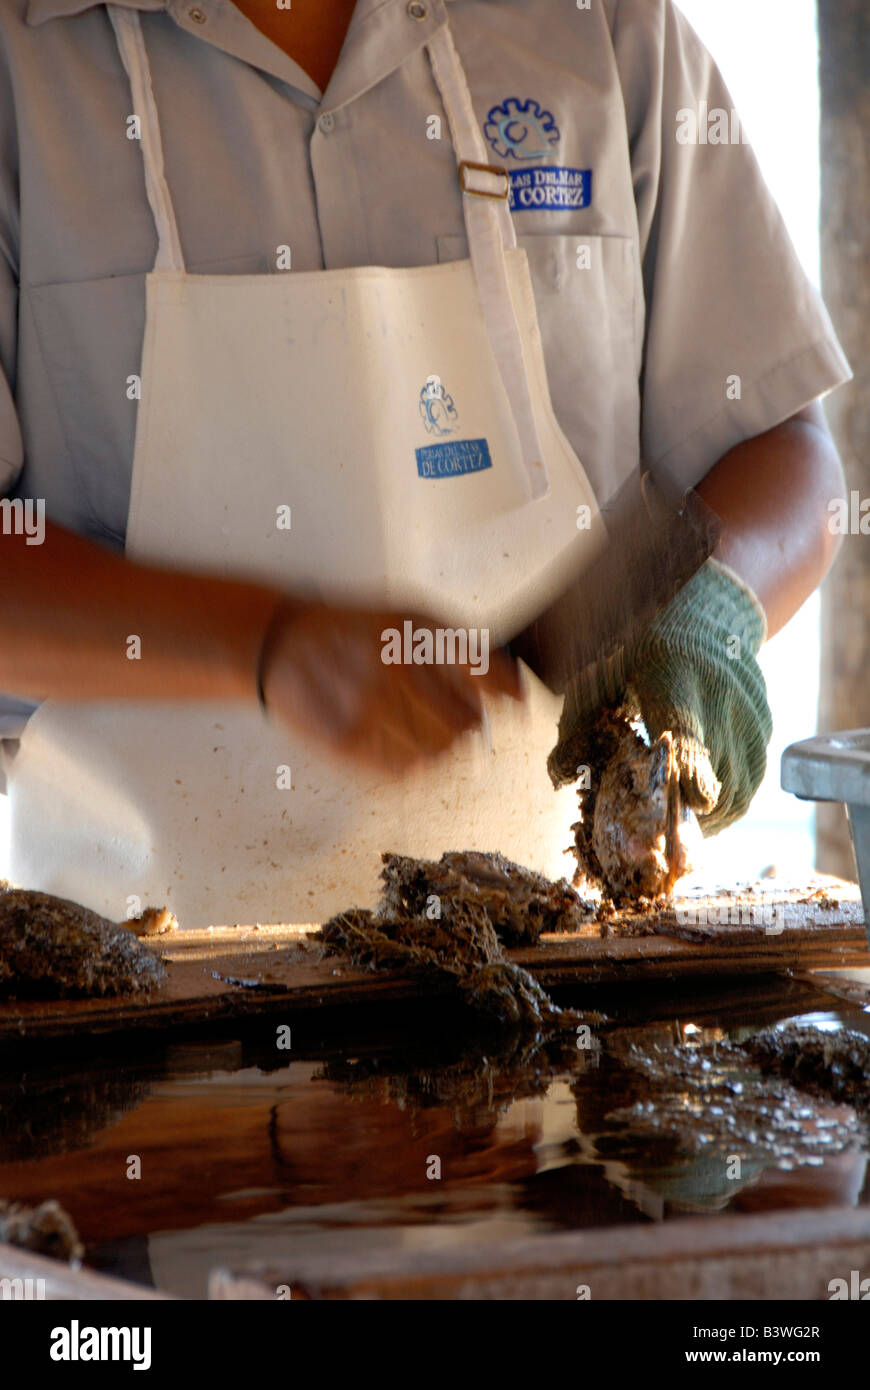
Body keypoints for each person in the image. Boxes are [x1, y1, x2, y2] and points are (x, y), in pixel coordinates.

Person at [0, 0, 850, 927]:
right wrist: (266, 643)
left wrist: (714, 610)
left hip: (569, 949)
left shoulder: (603, 28)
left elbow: (781, 446)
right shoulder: (22, 64)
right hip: (129, 971)